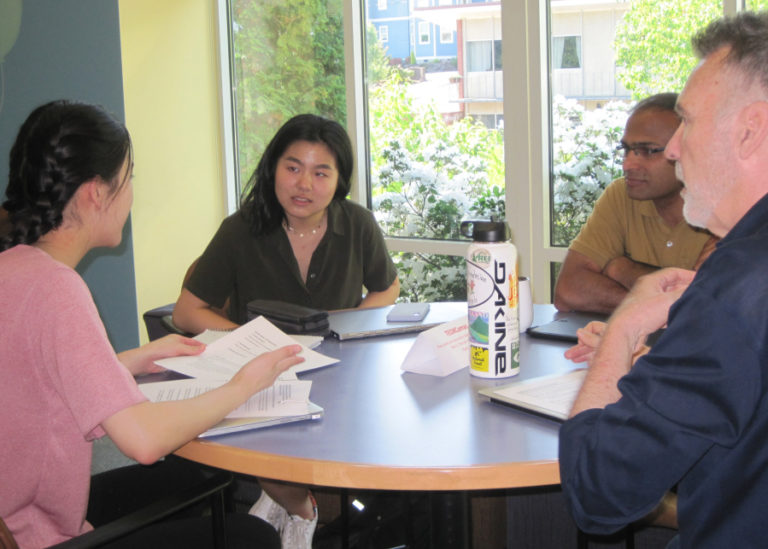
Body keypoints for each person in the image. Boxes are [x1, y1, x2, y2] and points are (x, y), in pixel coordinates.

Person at [0, 100, 304, 549]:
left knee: (197, 472)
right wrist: (243, 386)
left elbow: (34, 381)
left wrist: (128, 360)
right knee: (251, 537)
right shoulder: (57, 289)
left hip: (22, 511)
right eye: (129, 178)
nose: (131, 193)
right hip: (43, 535)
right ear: (95, 193)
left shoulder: (15, 268)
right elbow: (143, 441)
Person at [559, 11, 768, 548]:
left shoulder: (735, 287)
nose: (674, 150)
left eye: (688, 123)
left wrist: (627, 325)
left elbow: (598, 491)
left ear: (751, 130)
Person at [172, 114, 400, 548]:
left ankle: (283, 500)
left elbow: (387, 287)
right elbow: (187, 312)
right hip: (258, 372)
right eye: (292, 167)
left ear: (339, 180)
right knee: (262, 432)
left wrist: (346, 324)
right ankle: (300, 509)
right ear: (273, 167)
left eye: (320, 172)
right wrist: (248, 339)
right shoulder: (241, 229)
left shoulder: (357, 224)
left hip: (338, 371)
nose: (303, 185)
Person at [553, 93, 716, 314]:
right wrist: (654, 305)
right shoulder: (621, 195)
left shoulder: (725, 207)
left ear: (687, 149)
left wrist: (623, 269)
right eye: (627, 150)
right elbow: (569, 290)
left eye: (647, 151)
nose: (628, 164)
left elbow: (706, 307)